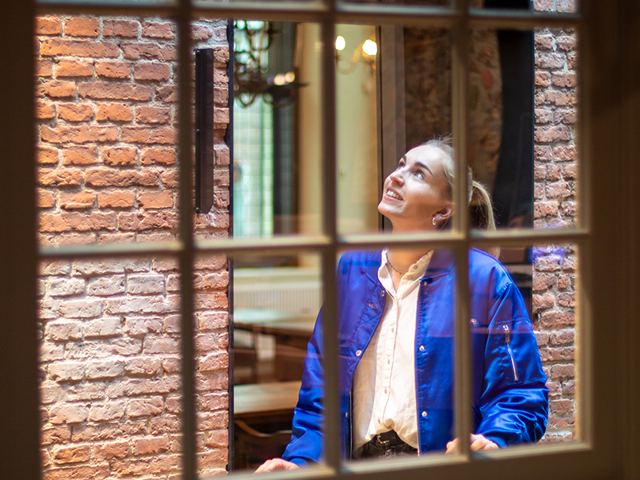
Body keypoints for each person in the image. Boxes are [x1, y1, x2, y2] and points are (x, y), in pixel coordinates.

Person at [255, 139, 548, 472]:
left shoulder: (484, 279)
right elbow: (320, 394)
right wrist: (301, 463)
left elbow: (522, 396)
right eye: (401, 164)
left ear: (443, 211)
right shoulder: (352, 268)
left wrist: (492, 439)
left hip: (441, 469)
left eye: (418, 174)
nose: (396, 176)